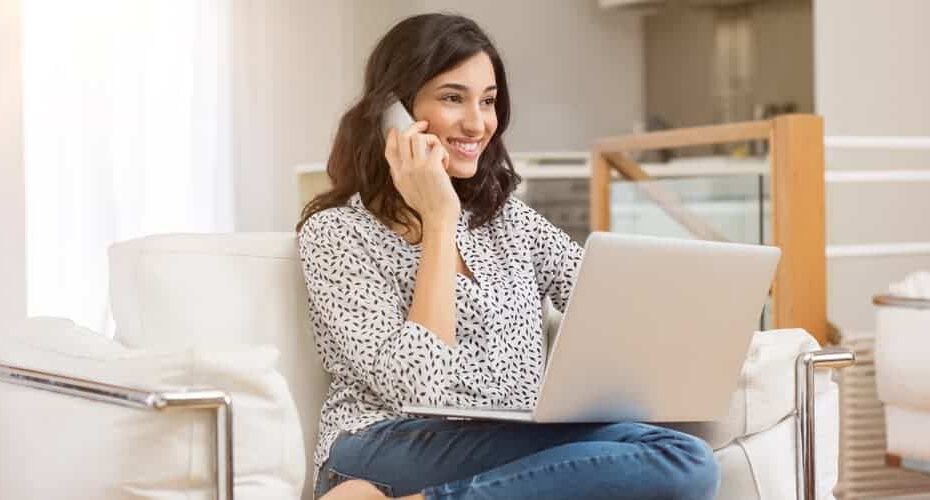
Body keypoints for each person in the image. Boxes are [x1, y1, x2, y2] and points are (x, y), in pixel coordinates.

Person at [296, 13, 719, 500]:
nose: (477, 123)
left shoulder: (509, 221)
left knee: (672, 453)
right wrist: (439, 222)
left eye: (489, 101)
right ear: (395, 111)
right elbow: (421, 387)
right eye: (453, 98)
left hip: (509, 438)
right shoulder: (337, 233)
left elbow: (610, 303)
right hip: (382, 443)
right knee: (682, 462)